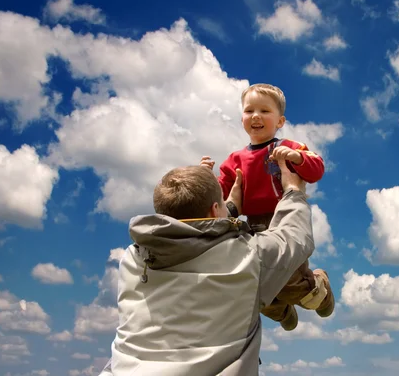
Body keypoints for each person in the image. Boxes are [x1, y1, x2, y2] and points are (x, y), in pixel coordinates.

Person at [98, 160, 318, 376]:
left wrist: (227, 207)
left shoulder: (132, 259)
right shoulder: (248, 257)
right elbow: (295, 237)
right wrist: (293, 190)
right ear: (214, 210)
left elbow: (186, 236)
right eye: (221, 203)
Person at [200, 83, 335, 332]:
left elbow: (317, 168)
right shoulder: (234, 160)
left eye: (264, 111)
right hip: (252, 225)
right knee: (254, 282)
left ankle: (320, 289)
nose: (256, 116)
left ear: (280, 121)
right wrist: (205, 178)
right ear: (242, 117)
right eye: (249, 110)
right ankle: (283, 312)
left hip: (285, 220)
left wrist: (297, 158)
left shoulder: (287, 147)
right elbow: (220, 196)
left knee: (291, 281)